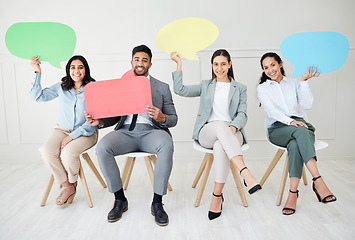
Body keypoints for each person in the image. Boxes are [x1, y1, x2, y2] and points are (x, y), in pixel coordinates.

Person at [85, 45, 177, 226]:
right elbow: (114, 114)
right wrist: (100, 122)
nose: (140, 63)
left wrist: (162, 116)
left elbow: (174, 119)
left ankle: (157, 203)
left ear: (150, 63)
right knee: (103, 147)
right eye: (137, 59)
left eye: (144, 60)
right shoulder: (122, 85)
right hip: (125, 132)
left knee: (166, 144)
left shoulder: (162, 87)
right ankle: (119, 199)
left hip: (152, 132)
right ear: (131, 62)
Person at [170, 49, 261, 220]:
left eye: (223, 64)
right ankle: (245, 172)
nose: (219, 68)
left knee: (221, 145)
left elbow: (242, 114)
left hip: (232, 132)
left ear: (229, 65)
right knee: (219, 125)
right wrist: (178, 63)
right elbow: (180, 90)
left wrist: (232, 128)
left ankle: (216, 196)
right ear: (212, 66)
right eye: (216, 64)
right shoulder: (206, 85)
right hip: (207, 132)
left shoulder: (239, 88)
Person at [257, 52, 337, 215]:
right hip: (277, 129)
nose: (270, 70)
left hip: (300, 126)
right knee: (300, 132)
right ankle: (318, 180)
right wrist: (290, 122)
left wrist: (304, 82)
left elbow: (307, 105)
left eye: (273, 65)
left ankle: (292, 193)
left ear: (280, 64)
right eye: (266, 67)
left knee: (295, 144)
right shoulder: (262, 88)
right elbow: (271, 111)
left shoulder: (293, 83)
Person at [29, 55, 98, 205]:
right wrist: (37, 72)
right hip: (61, 129)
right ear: (68, 70)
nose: (76, 70)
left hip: (86, 132)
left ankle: (74, 182)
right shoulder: (61, 86)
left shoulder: (93, 88)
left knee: (68, 153)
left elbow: (94, 121)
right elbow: (37, 97)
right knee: (46, 151)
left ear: (86, 69)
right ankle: (68, 186)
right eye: (72, 67)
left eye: (80, 67)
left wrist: (72, 137)